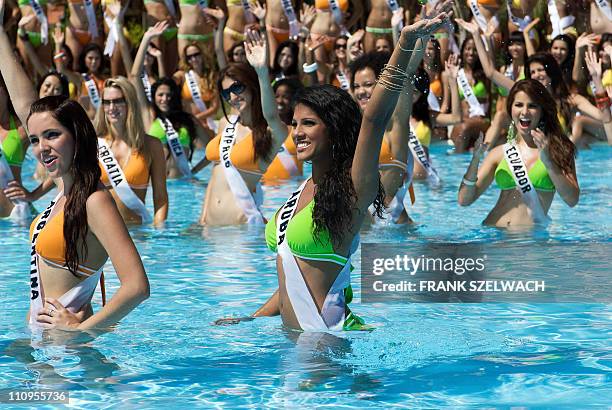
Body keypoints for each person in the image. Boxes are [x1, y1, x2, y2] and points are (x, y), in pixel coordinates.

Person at [215, 9, 452, 330]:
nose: (297, 132)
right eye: (296, 123)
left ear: (333, 130)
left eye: (309, 124)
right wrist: (251, 318)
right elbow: (295, 271)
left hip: (332, 342)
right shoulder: (300, 193)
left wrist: (405, 43)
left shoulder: (353, 188)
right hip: (301, 345)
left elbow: (374, 119)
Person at [26, 95, 149, 330]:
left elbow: (137, 286)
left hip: (68, 353)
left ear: (77, 135)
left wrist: (81, 331)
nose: (42, 148)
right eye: (34, 139)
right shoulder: (64, 190)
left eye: (52, 135)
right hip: (45, 342)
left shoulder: (95, 200)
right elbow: (23, 99)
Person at [196, 29, 289, 225]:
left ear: (251, 85)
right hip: (210, 231)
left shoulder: (271, 133)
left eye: (237, 88)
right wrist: (202, 219)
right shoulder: (225, 124)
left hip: (241, 228)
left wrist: (262, 72)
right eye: (226, 93)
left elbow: (271, 115)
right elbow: (215, 175)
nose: (232, 97)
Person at [458, 79, 579, 227]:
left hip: (528, 244)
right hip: (492, 236)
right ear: (510, 109)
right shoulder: (499, 154)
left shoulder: (559, 151)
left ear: (542, 111)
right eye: (519, 105)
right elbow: (464, 200)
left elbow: (572, 200)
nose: (524, 112)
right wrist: (475, 160)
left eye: (532, 106)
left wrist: (548, 161)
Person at [93, 77, 169, 225]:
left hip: (136, 235)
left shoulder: (152, 145)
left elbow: (160, 198)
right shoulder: (92, 145)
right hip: (98, 236)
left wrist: (159, 233)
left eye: (117, 101)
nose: (111, 108)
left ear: (130, 103)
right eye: (107, 102)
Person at [262, 78, 304, 182]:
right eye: (276, 96)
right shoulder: (262, 130)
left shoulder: (300, 130)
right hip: (266, 193)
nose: (280, 100)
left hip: (291, 190)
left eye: (285, 97)